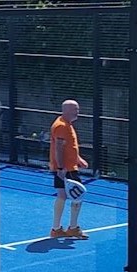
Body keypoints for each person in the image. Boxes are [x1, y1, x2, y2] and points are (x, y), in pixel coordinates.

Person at [49, 98, 89, 239]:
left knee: (63, 196)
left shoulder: (67, 124)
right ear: (66, 110)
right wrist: (61, 168)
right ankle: (71, 228)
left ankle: (57, 229)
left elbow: (69, 147)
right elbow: (59, 148)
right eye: (74, 110)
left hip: (68, 167)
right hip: (66, 169)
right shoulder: (62, 126)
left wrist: (78, 159)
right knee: (77, 196)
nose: (77, 112)